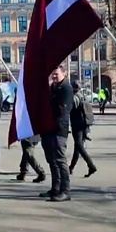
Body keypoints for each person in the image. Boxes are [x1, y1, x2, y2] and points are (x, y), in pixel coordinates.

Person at [40, 65, 74, 202]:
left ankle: (65, 191)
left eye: (56, 74)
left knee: (60, 160)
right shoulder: (52, 87)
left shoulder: (66, 88)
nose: (54, 76)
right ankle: (55, 188)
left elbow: (63, 109)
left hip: (59, 129)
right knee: (52, 161)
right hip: (48, 128)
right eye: (52, 74)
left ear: (64, 74)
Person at [69, 80, 97, 177]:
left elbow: (69, 110)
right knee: (77, 146)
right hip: (84, 123)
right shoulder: (83, 96)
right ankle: (71, 168)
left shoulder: (74, 98)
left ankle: (91, 165)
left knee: (79, 146)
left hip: (77, 124)